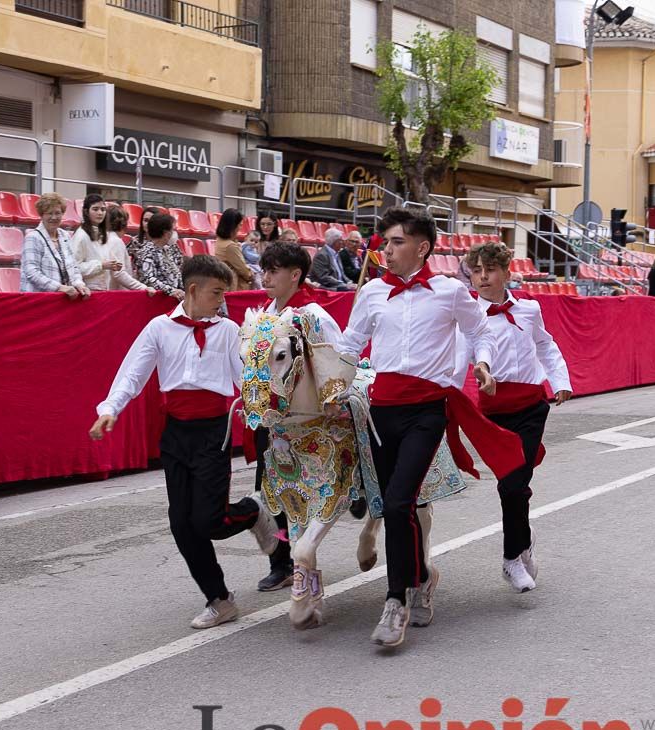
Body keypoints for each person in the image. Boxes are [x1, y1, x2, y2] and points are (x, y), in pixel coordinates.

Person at [335, 207, 522, 648]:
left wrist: (482, 363)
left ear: (422, 248)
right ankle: (421, 576)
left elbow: (482, 332)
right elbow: (347, 345)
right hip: (381, 410)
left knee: (400, 501)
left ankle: (395, 600)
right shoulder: (372, 293)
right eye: (384, 242)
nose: (386, 250)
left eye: (396, 242)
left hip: (427, 410)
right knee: (393, 505)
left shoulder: (450, 292)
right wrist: (332, 387)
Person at [90, 255, 277, 629]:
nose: (222, 301)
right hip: (175, 433)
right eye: (216, 293)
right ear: (193, 290)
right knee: (182, 523)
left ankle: (255, 511)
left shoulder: (227, 330)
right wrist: (110, 408)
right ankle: (219, 599)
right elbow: (133, 373)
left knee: (210, 520)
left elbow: (245, 380)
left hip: (213, 432)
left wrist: (266, 411)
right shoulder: (159, 328)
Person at [462, 243, 571, 594]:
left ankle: (511, 558)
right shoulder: (468, 315)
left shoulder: (530, 309)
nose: (482, 277)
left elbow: (546, 346)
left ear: (507, 272)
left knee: (512, 484)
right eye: (476, 271)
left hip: (531, 406)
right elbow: (460, 354)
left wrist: (561, 381)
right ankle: (523, 537)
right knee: (514, 488)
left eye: (489, 270)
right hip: (494, 411)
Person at [252, 241, 347, 591]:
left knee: (311, 490)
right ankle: (283, 562)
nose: (265, 277)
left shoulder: (315, 316)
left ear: (295, 275)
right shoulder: (263, 314)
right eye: (263, 270)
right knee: (274, 487)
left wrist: (330, 400)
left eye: (273, 270)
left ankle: (301, 562)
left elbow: (334, 361)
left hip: (309, 423)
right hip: (273, 419)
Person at [72, 197, 154, 293]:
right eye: (95, 209)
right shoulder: (82, 235)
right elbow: (74, 268)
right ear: (86, 211)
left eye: (103, 209)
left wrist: (109, 266)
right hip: (89, 292)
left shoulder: (102, 235)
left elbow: (114, 270)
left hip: (102, 291)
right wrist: (101, 265)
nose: (100, 213)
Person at [21, 193, 90, 297]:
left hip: (61, 298)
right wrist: (59, 287)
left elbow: (74, 267)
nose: (54, 217)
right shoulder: (33, 237)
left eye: (58, 213)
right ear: (41, 215)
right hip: (38, 299)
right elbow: (32, 272)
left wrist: (79, 284)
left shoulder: (65, 235)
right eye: (49, 213)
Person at [135, 212, 186, 300]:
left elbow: (175, 273)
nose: (174, 233)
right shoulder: (147, 251)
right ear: (165, 233)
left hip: (173, 299)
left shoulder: (167, 249)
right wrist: (171, 291)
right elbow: (149, 279)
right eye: (172, 230)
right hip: (157, 301)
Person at [211, 209, 256, 291]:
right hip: (234, 288)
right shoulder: (230, 246)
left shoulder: (220, 240)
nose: (240, 228)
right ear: (233, 226)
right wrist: (252, 275)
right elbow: (244, 271)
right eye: (240, 225)